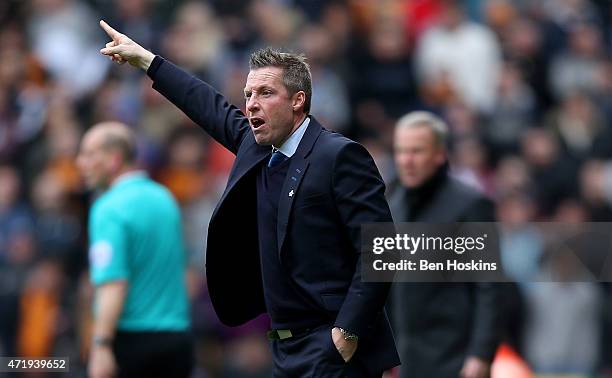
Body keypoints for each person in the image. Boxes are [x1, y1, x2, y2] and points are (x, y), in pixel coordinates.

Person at [98, 20, 399, 377]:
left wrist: (346, 332)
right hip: (284, 348)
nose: (252, 105)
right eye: (248, 95)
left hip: (334, 347)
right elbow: (207, 104)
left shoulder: (338, 156)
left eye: (265, 93)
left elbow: (382, 248)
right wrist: (146, 60)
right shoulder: (255, 148)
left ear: (298, 100)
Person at [387, 111, 500, 378]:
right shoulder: (391, 204)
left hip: (456, 359)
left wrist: (481, 354)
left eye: (417, 151)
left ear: (439, 154)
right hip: (404, 360)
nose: (407, 160)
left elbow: (490, 286)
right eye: (401, 151)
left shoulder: (470, 205)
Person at [77, 122, 193, 378]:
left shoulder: (108, 208)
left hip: (133, 341)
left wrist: (101, 345)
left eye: (89, 154)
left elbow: (113, 283)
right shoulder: (165, 198)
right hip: (177, 338)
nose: (80, 163)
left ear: (114, 159)